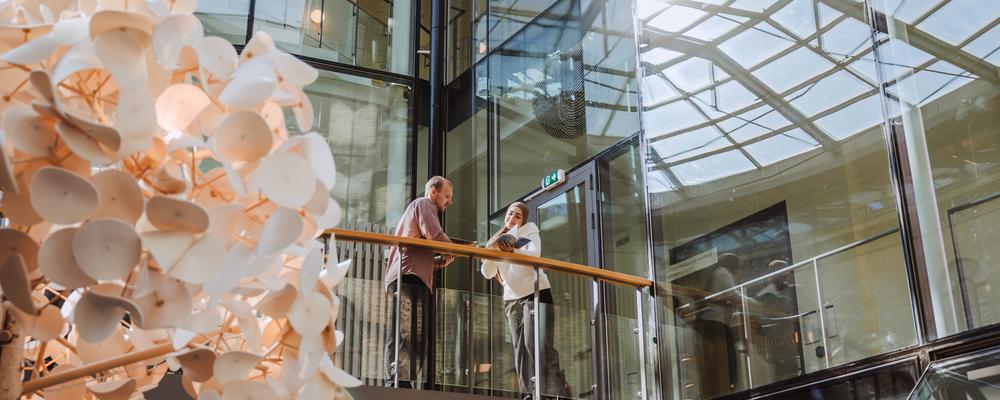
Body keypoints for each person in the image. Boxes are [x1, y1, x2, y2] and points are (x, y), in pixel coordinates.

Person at [481, 202, 571, 399]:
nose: (512, 217)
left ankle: (556, 389)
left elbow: (534, 254)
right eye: (510, 213)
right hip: (511, 299)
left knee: (535, 343)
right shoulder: (497, 239)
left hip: (535, 292)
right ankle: (528, 395)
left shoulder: (528, 230)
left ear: (524, 219)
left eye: (518, 215)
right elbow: (487, 273)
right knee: (519, 350)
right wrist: (494, 252)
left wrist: (512, 251)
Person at [384, 176, 456, 388]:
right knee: (410, 333)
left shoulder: (418, 208)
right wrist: (459, 249)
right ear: (433, 191)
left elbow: (417, 251)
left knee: (407, 332)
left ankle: (399, 382)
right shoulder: (424, 204)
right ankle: (399, 383)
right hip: (410, 278)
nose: (450, 201)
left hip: (408, 275)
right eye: (447, 196)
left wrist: (439, 261)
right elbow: (435, 235)